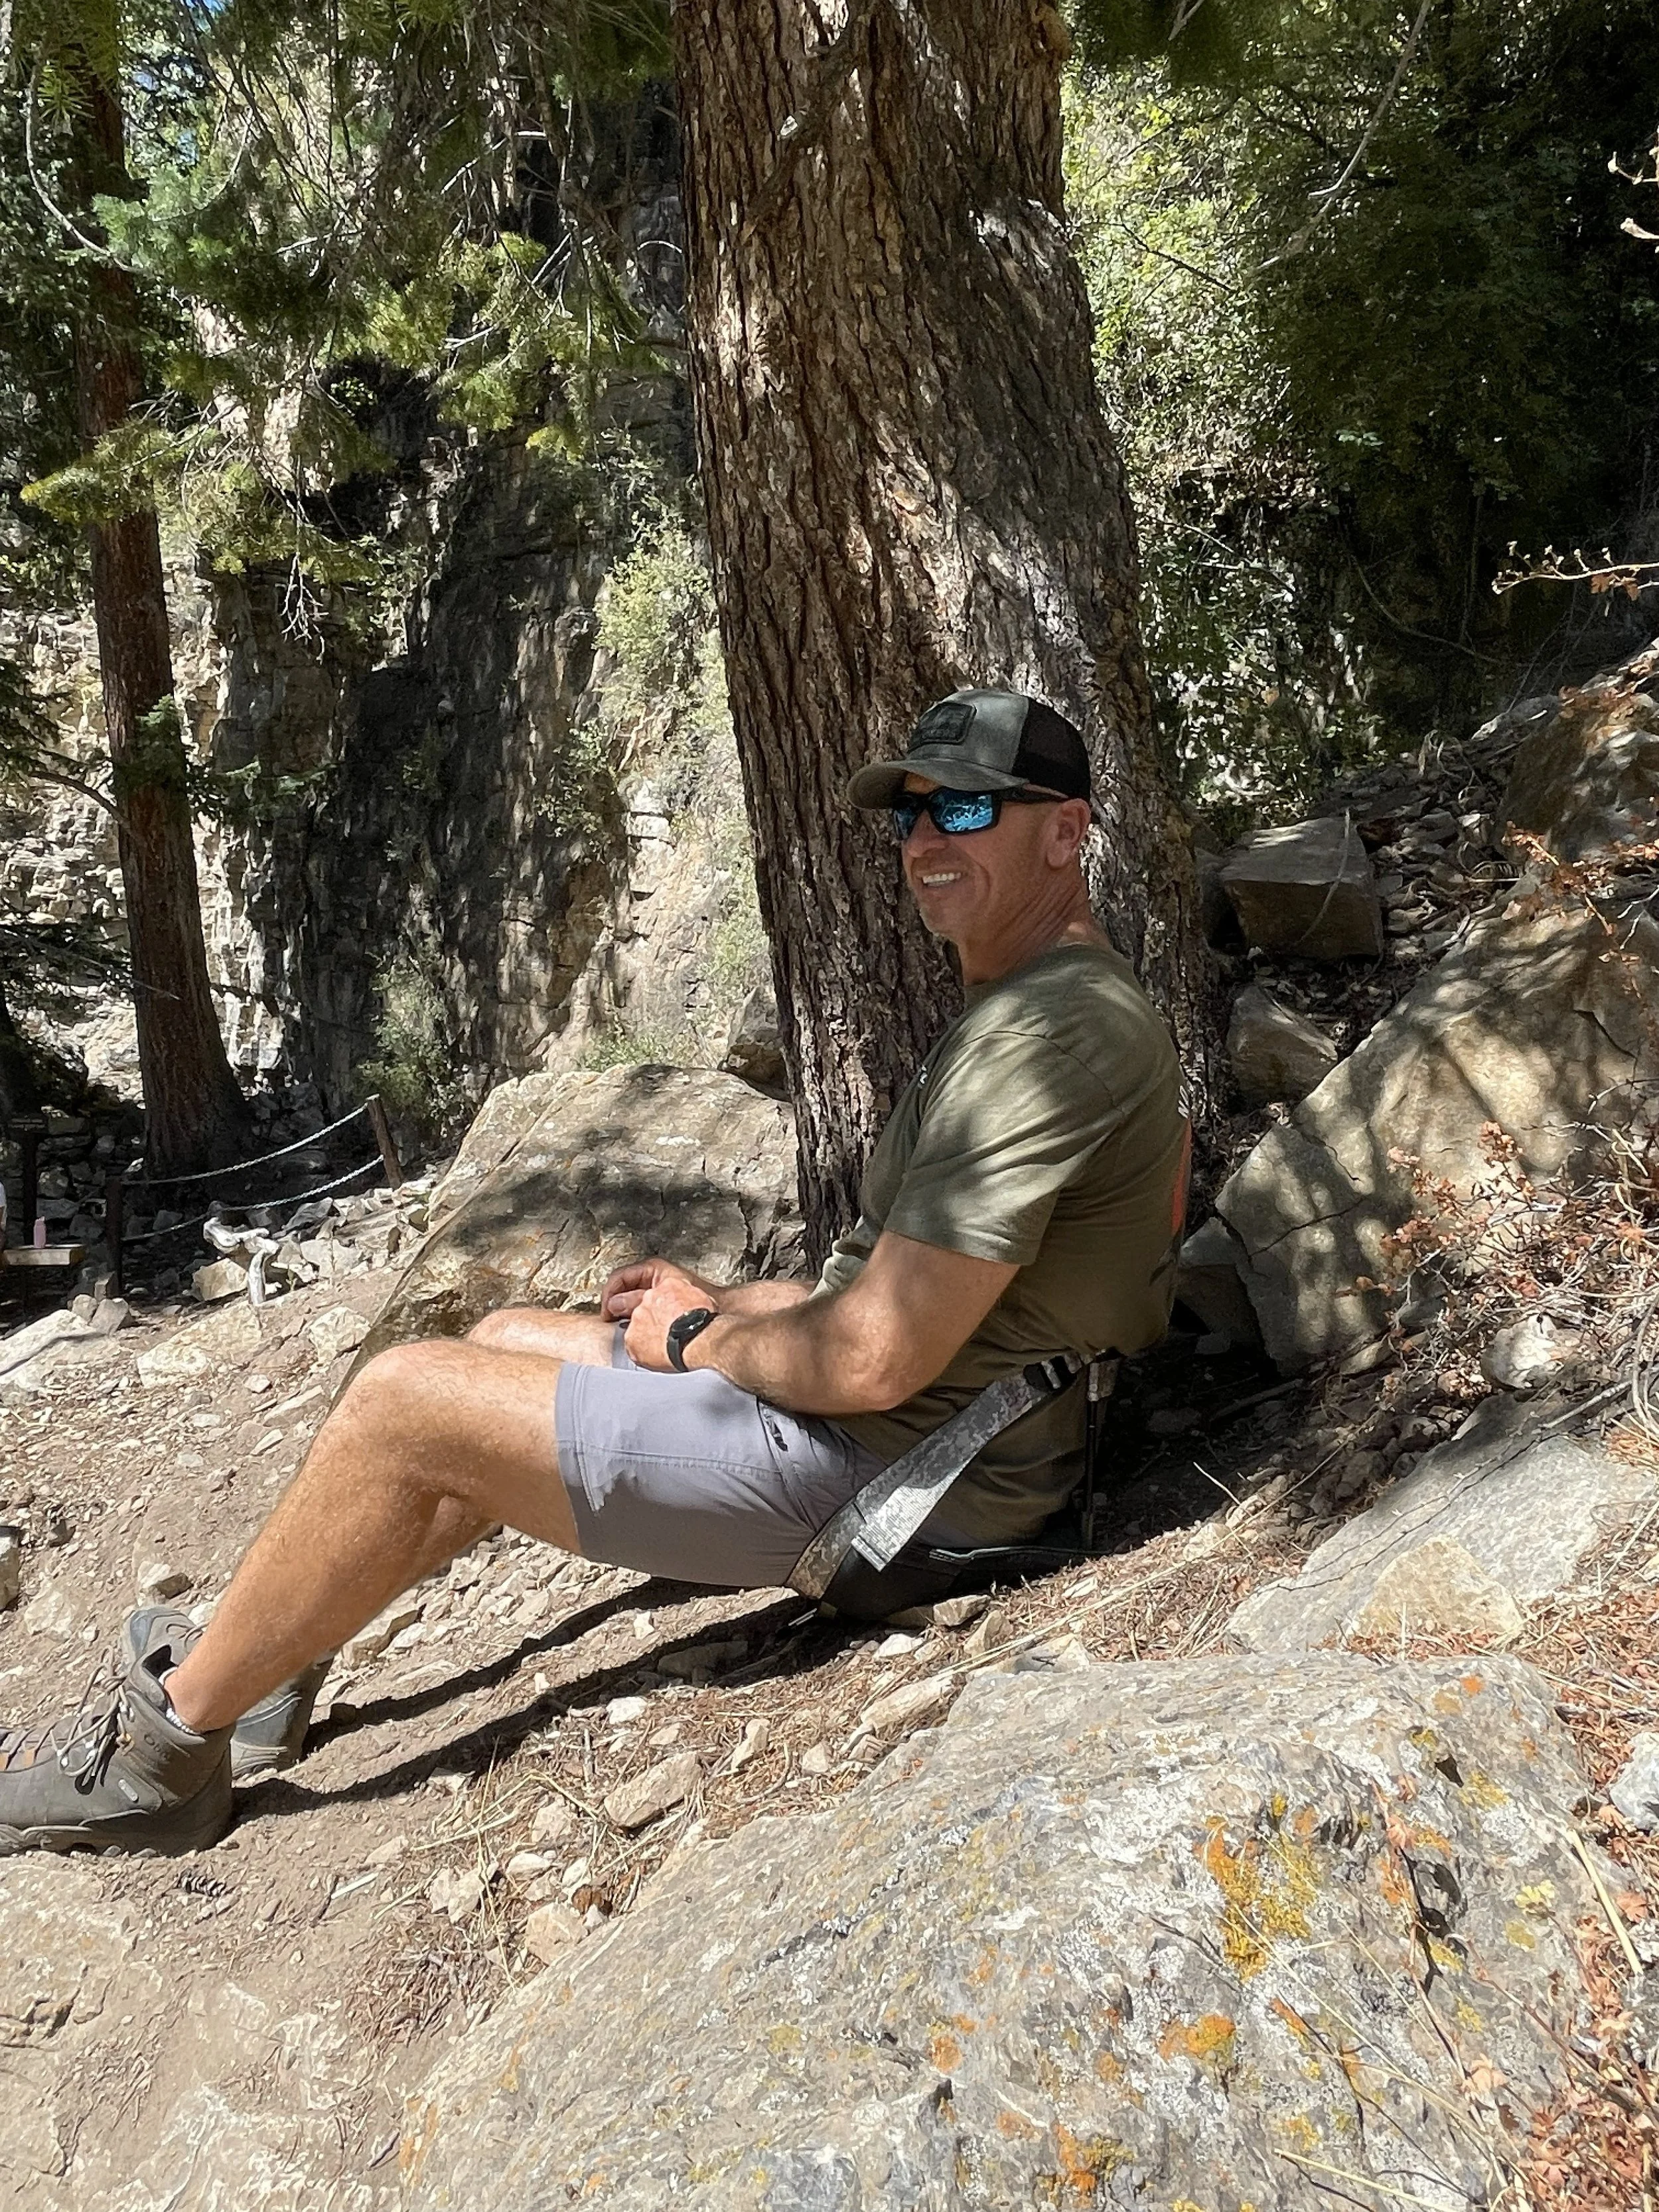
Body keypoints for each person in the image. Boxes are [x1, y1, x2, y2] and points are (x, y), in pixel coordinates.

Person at [0, 688, 1185, 1858]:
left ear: (1065, 833)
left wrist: (695, 1340)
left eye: (969, 811)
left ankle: (162, 1760)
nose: (926, 841)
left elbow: (873, 1355)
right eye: (911, 816)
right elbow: (885, 1294)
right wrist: (725, 1308)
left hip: (917, 1486)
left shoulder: (1051, 1034)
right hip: (940, 1437)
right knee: (513, 1335)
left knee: (406, 1402)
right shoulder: (1033, 1010)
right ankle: (267, 1667)